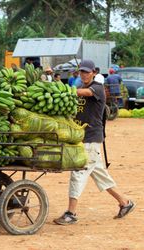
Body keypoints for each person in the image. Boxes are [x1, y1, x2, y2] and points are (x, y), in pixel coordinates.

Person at [53, 60, 135, 226]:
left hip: (90, 138)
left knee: (78, 173)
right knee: (100, 174)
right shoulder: (81, 86)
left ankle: (71, 213)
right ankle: (125, 203)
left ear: (94, 72)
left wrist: (65, 89)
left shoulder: (97, 87)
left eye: (86, 72)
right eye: (81, 72)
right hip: (83, 138)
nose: (84, 74)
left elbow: (85, 93)